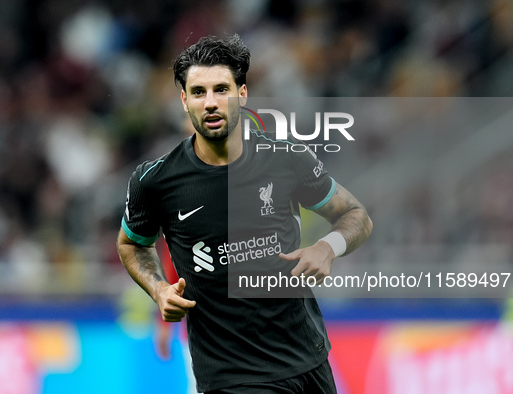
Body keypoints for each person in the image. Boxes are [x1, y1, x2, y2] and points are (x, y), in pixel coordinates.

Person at [117, 34, 372, 393]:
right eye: (199, 92)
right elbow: (132, 244)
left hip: (307, 359)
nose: (210, 102)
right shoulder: (154, 181)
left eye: (221, 89)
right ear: (184, 100)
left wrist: (327, 247)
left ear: (242, 94)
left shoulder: (287, 159)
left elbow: (355, 214)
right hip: (232, 375)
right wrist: (159, 289)